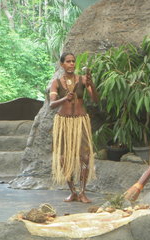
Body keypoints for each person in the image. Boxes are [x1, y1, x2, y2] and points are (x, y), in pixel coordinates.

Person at [49, 52, 99, 203]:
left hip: (80, 121)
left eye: (73, 61)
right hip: (63, 122)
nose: (71, 64)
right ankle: (73, 192)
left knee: (85, 156)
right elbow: (51, 104)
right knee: (64, 158)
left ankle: (83, 192)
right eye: (68, 61)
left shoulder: (83, 80)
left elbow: (95, 99)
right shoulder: (56, 82)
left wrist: (91, 85)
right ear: (62, 64)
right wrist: (65, 98)